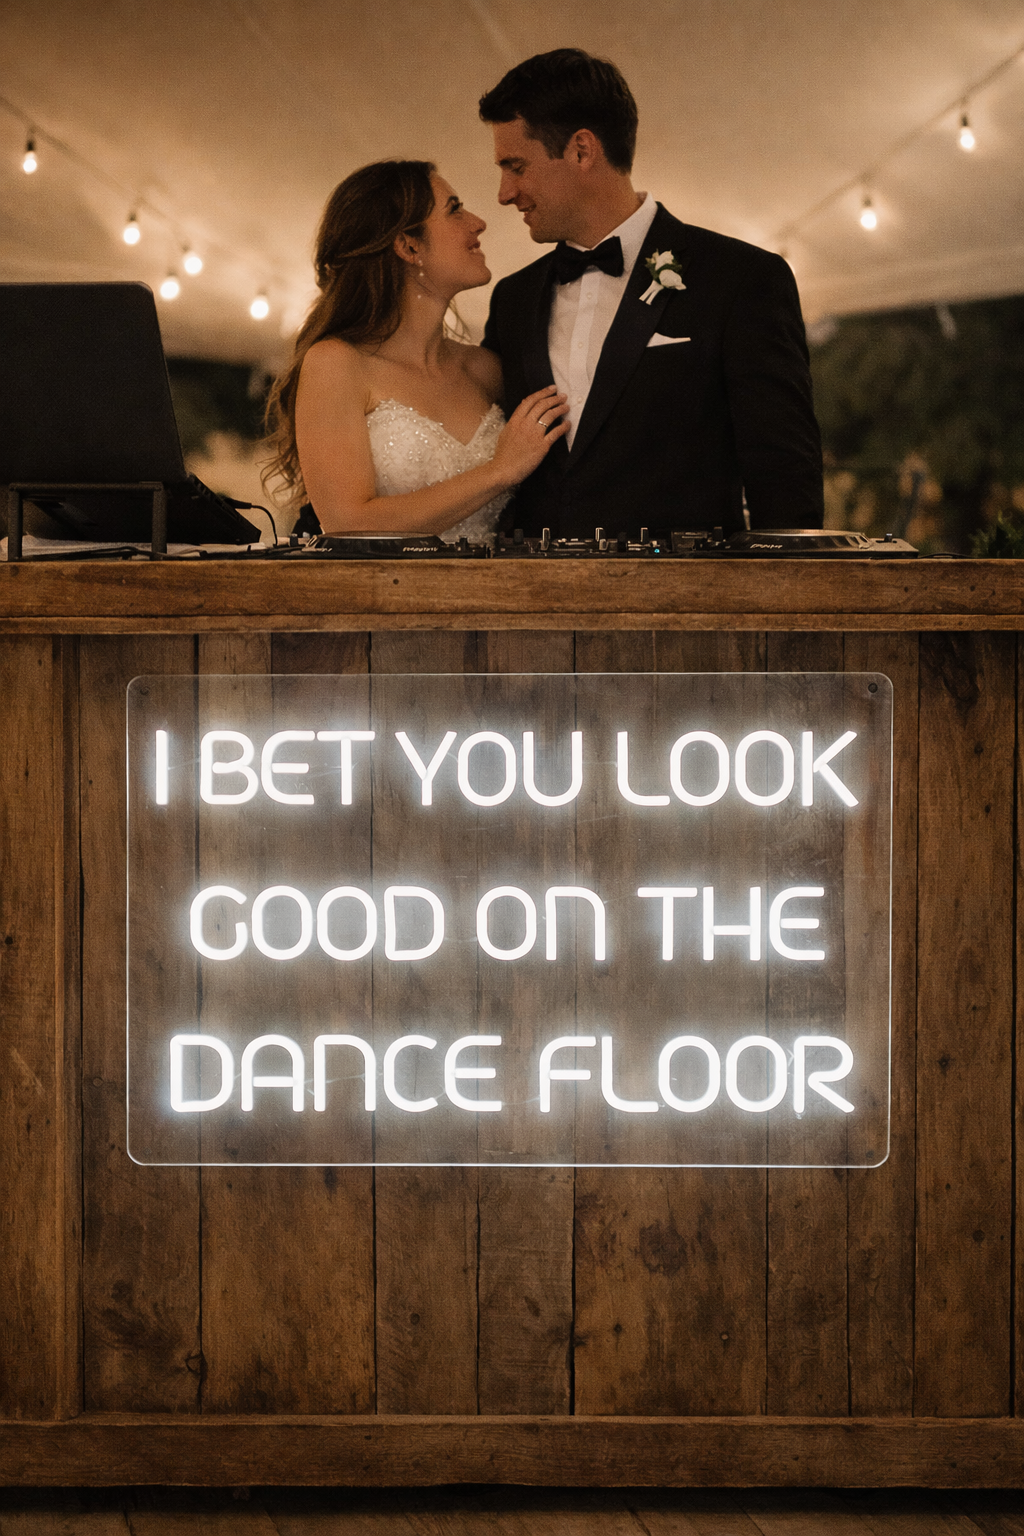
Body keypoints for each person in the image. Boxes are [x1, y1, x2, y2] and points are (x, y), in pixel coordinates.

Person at [479, 49, 825, 539]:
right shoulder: (513, 299)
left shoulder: (742, 279)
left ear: (581, 150)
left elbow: (785, 474)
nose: (503, 192)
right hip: (533, 603)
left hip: (687, 602)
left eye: (516, 166)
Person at [264, 159, 568, 540]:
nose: (478, 222)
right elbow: (347, 523)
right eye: (454, 210)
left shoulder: (486, 370)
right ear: (409, 245)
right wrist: (498, 471)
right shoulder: (336, 363)